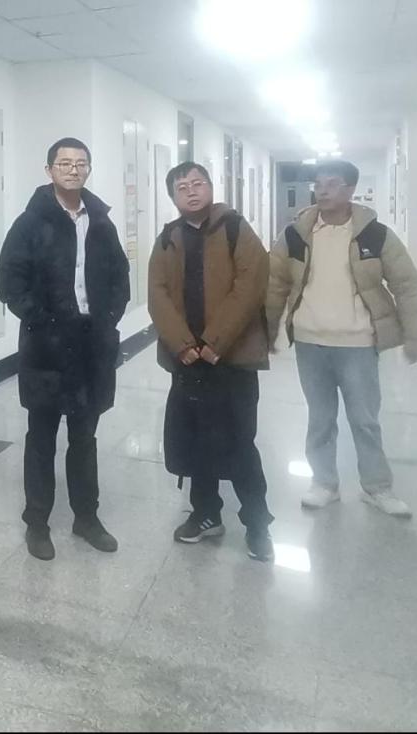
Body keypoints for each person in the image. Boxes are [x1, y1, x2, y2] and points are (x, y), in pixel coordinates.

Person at [267, 160, 417, 517]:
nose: (322, 190)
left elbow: (406, 284)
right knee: (320, 418)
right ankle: (324, 483)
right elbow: (275, 282)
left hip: (357, 342)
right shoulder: (295, 234)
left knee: (365, 419)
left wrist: (415, 335)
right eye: (318, 184)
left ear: (351, 189)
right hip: (310, 341)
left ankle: (377, 487)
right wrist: (268, 330)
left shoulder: (375, 234)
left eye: (332, 183)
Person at [0, 137, 130, 561]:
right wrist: (41, 319)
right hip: (46, 345)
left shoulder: (101, 222)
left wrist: (108, 319)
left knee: (84, 436)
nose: (73, 170)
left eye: (81, 163)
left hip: (91, 344)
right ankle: (37, 522)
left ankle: (86, 517)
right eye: (65, 163)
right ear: (49, 169)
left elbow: (120, 276)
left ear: (89, 169)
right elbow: (9, 281)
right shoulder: (29, 223)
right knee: (41, 436)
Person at [148, 161, 274, 561]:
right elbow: (157, 294)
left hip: (232, 359)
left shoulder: (235, 228)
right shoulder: (168, 238)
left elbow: (251, 285)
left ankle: (257, 524)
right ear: (172, 196)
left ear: (211, 187)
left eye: (197, 183)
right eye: (181, 186)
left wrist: (215, 341)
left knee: (240, 443)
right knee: (196, 440)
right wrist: (183, 345)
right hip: (189, 362)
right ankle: (206, 514)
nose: (191, 191)